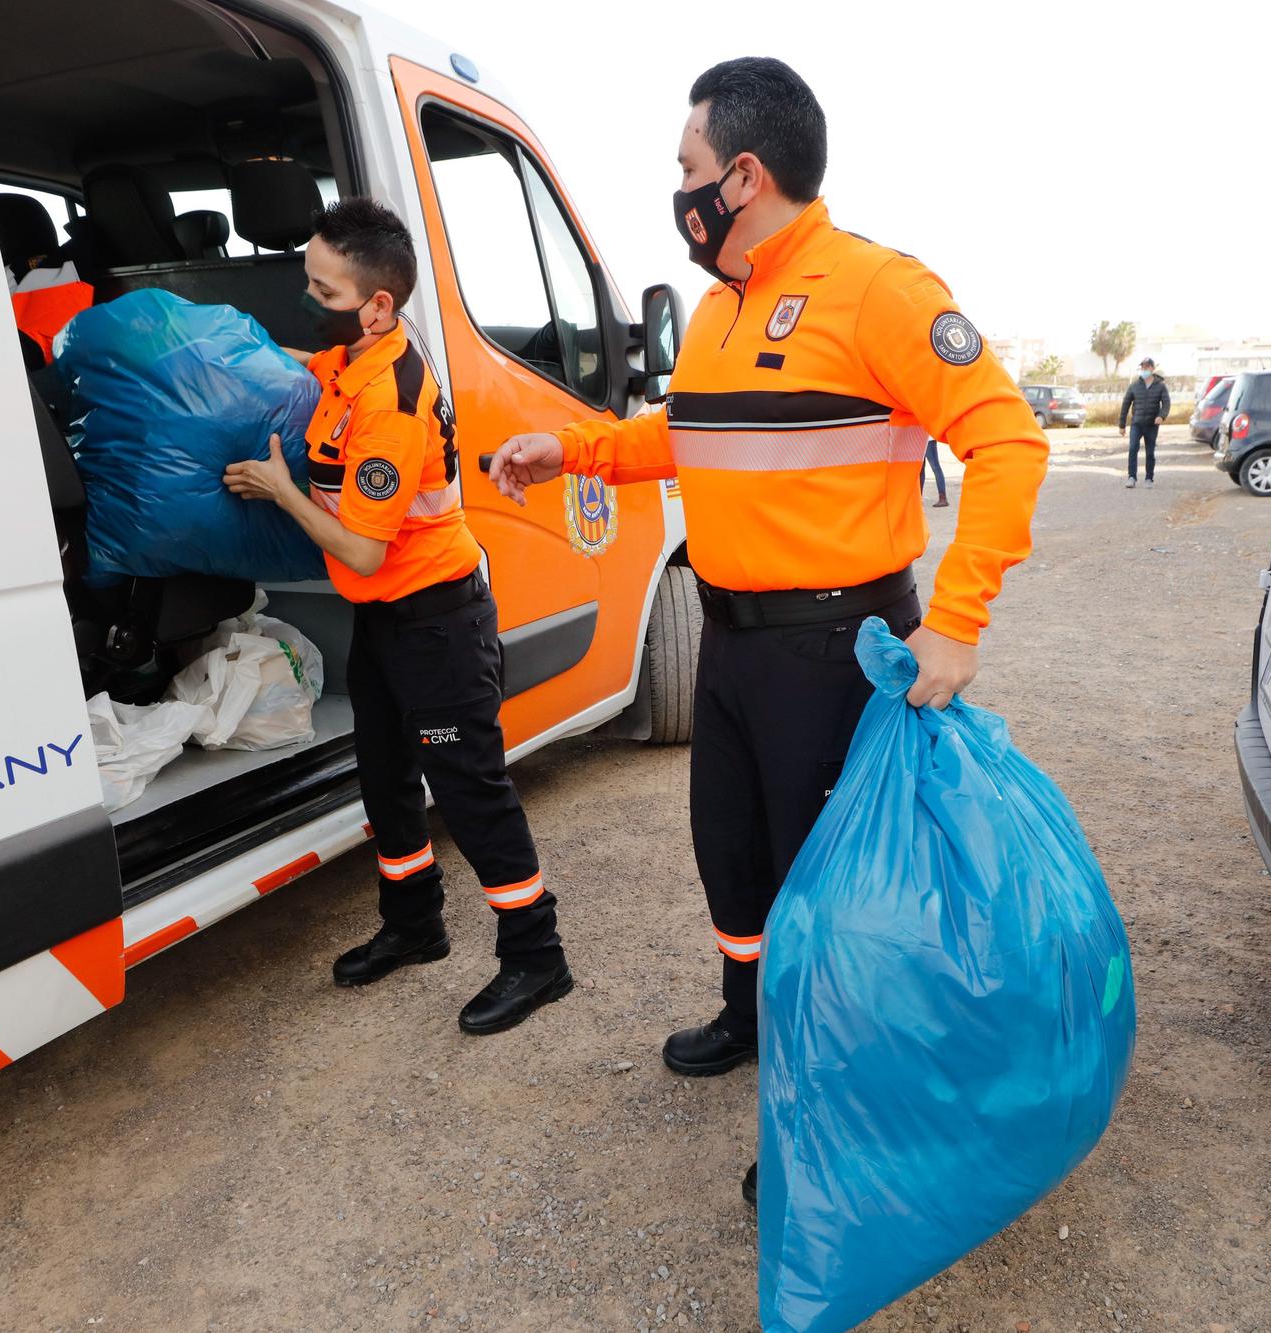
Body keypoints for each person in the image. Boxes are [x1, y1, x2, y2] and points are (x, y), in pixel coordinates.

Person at [488, 58, 1048, 1202]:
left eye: (686, 168)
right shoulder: (715, 308)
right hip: (733, 641)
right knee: (733, 860)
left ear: (742, 176)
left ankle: (829, 1113)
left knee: (825, 890)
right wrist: (575, 447)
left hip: (833, 649)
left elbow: (1008, 442)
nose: (679, 189)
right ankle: (748, 1017)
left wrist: (954, 621)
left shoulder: (875, 290)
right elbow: (684, 433)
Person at [224, 198, 571, 1036]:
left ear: (376, 306)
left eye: (321, 286)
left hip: (434, 619)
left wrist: (281, 490)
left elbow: (365, 548)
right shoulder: (358, 360)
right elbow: (318, 367)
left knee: (469, 787)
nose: (308, 296)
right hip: (383, 620)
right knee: (383, 776)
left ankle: (536, 954)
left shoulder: (391, 400)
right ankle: (415, 924)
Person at [1118, 356, 1169, 488]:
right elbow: (1125, 405)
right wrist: (1122, 425)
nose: (1143, 370)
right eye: (1142, 367)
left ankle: (1149, 478)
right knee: (1133, 448)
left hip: (1152, 425)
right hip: (1137, 423)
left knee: (1150, 452)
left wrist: (1161, 416)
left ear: (1152, 369)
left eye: (1146, 367)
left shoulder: (1161, 386)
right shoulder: (1134, 386)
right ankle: (1132, 477)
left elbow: (1166, 404)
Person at [921, 438, 950, 507]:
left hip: (928, 439)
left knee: (935, 467)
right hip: (920, 438)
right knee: (921, 469)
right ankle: (918, 497)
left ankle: (943, 498)